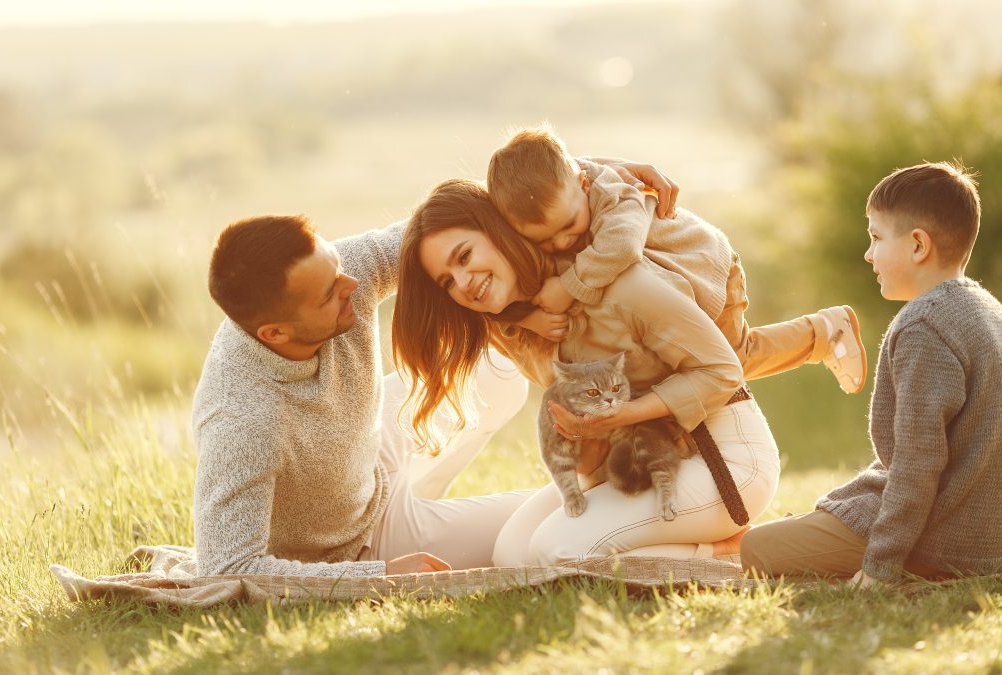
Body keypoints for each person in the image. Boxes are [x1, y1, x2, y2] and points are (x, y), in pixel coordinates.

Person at [191, 160, 676, 577]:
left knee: (499, 371)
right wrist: (377, 574)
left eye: (337, 264)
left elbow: (459, 219)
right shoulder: (244, 420)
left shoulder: (334, 278)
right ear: (274, 333)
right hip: (355, 544)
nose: (353, 283)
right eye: (329, 291)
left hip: (372, 454)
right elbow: (228, 569)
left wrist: (593, 174)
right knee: (543, 535)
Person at [391, 178, 781, 566]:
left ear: (499, 230)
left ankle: (730, 552)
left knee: (554, 552)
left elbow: (724, 371)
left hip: (722, 461)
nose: (463, 283)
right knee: (511, 558)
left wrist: (627, 413)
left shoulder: (617, 282)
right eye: (447, 282)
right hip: (633, 466)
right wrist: (584, 436)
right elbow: (591, 458)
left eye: (463, 257)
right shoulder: (515, 331)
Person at [740, 162, 1002, 584]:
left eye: (876, 238)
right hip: (996, 546)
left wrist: (880, 566)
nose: (868, 254)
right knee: (819, 518)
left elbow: (918, 464)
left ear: (918, 245)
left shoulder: (924, 326)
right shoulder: (992, 314)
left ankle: (853, 544)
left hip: (941, 544)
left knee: (756, 548)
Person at [488, 125, 866, 392]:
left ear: (584, 184)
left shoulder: (617, 195)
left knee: (733, 358)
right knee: (684, 365)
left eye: (569, 225)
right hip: (671, 283)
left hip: (705, 269)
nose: (562, 241)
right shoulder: (563, 194)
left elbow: (622, 249)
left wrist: (568, 288)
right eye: (545, 240)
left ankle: (824, 333)